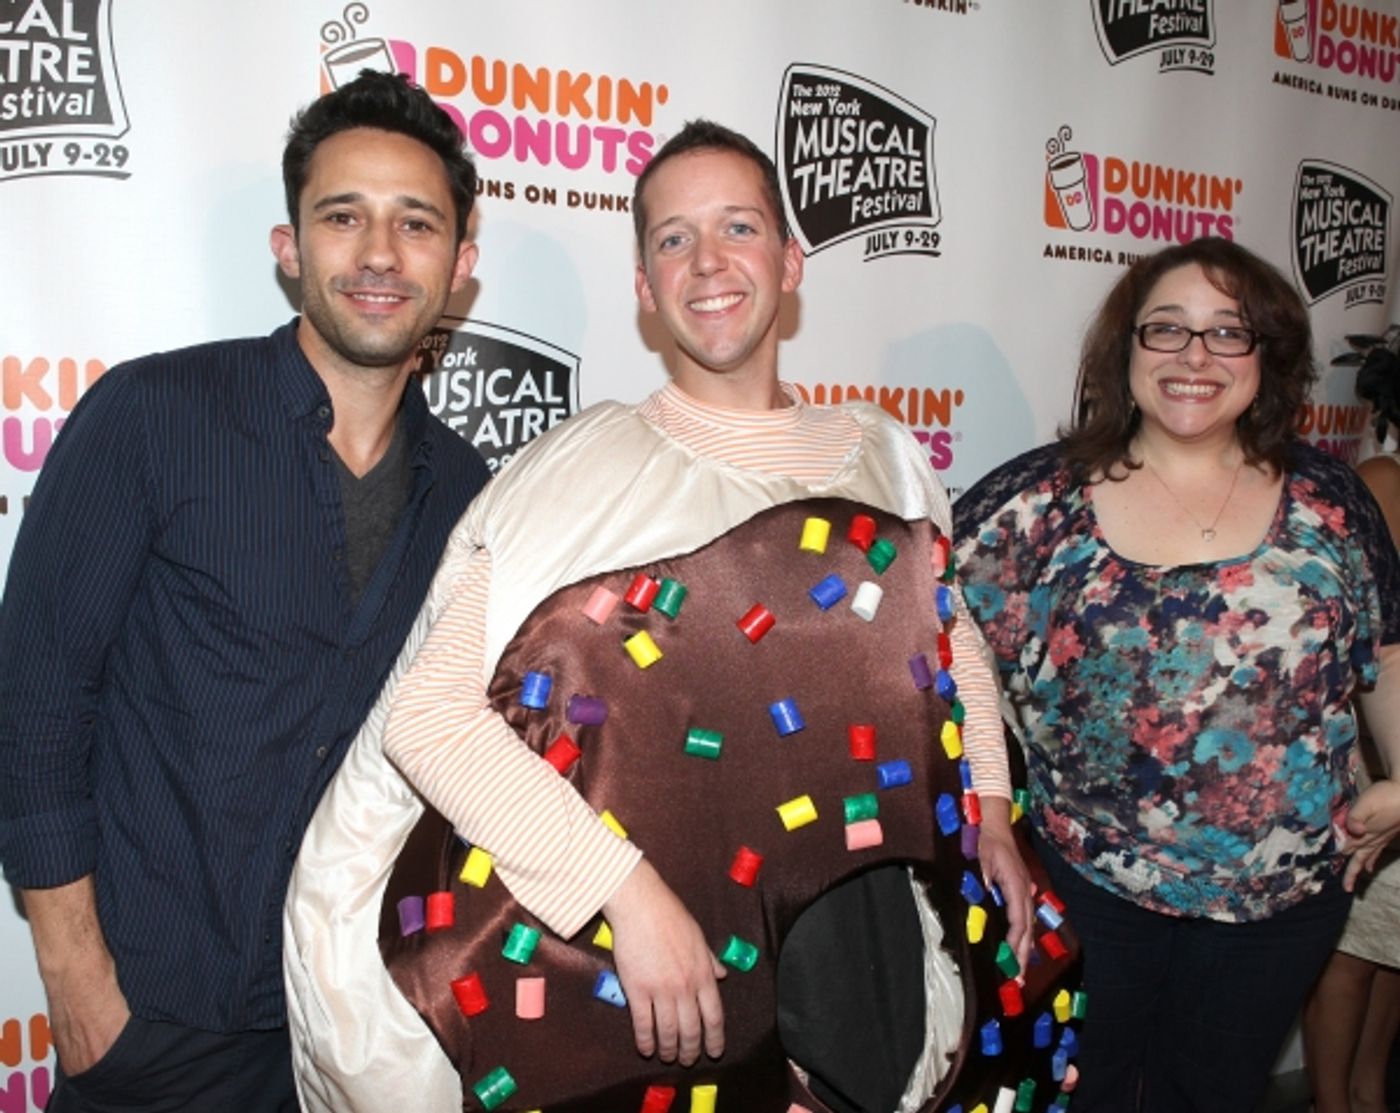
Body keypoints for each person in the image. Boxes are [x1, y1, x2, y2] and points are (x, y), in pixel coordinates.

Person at [286, 120, 1077, 1113]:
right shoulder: (582, 473)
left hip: (866, 966)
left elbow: (943, 635)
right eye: (671, 238)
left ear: (788, 262)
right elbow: (428, 720)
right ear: (642, 286)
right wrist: (625, 897)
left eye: (737, 227)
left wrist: (992, 812)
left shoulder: (881, 451)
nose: (706, 261)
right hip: (670, 983)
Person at [0, 70, 489, 1112]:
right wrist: (77, 982)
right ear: (288, 248)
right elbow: (34, 705)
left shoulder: (470, 493)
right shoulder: (151, 417)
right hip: (154, 1022)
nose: (377, 254)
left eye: (416, 224)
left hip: (364, 1020)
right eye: (342, 216)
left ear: (458, 268)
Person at [953, 236, 1400, 1113]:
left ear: (1266, 358)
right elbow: (932, 651)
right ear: (1125, 353)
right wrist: (992, 813)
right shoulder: (1033, 505)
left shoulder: (1333, 505)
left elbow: (1382, 652)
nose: (1195, 356)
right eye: (1167, 330)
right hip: (1083, 887)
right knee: (1074, 1096)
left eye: (1227, 332)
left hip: (1281, 904)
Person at [1304, 338, 1400, 1113]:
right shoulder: (1381, 483)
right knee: (1354, 946)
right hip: (1380, 756)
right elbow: (1376, 640)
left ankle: (1369, 1091)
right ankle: (1333, 1102)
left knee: (1394, 952)